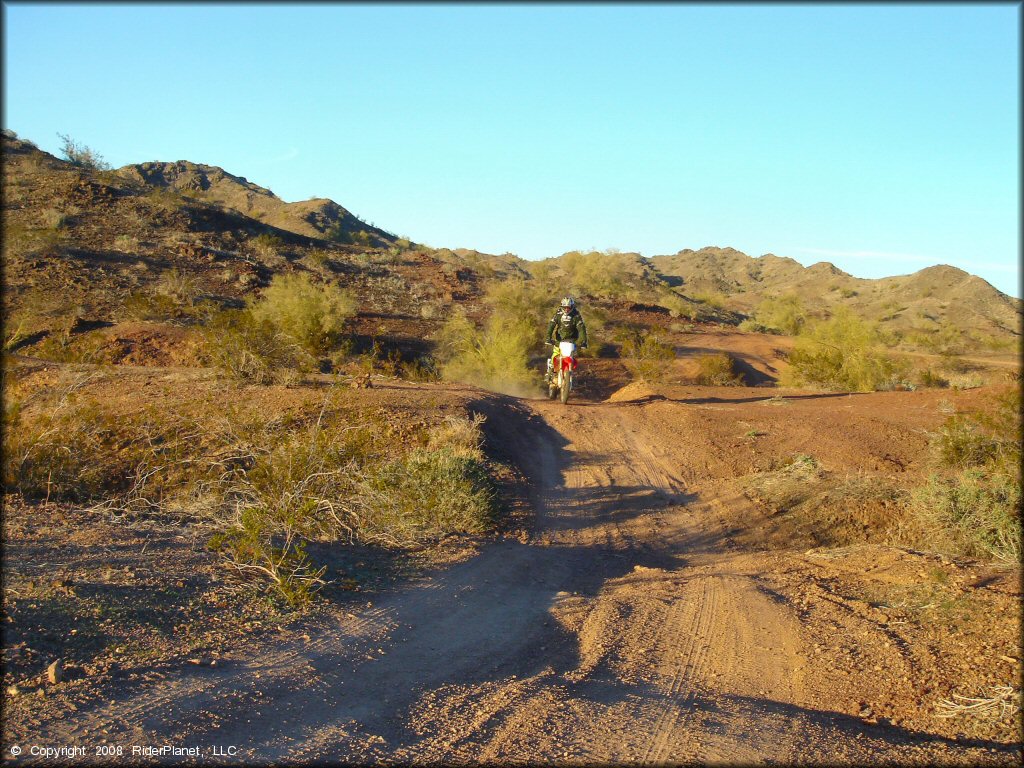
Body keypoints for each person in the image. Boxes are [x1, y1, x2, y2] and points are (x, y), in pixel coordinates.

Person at [545, 296, 588, 381]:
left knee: (572, 356)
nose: (566, 309)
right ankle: (550, 371)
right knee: (556, 353)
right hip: (559, 340)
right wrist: (548, 338)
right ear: (562, 307)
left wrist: (584, 341)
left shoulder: (576, 315)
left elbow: (581, 328)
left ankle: (569, 373)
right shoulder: (558, 314)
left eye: (568, 307)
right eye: (565, 307)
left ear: (572, 307)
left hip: (572, 341)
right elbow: (551, 325)